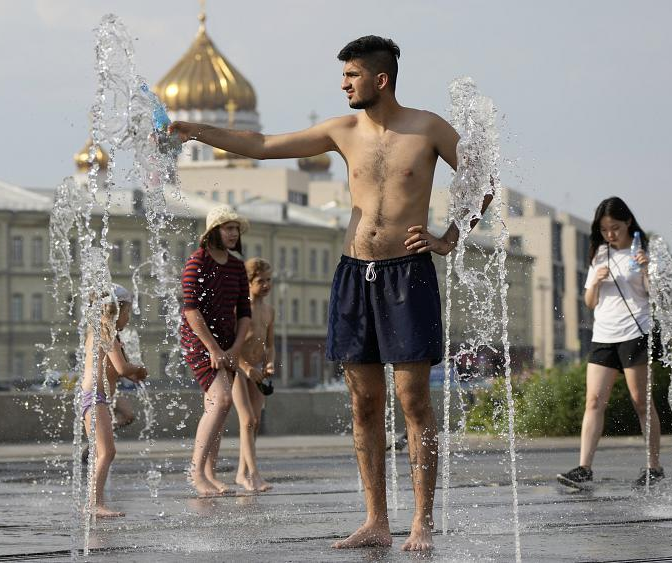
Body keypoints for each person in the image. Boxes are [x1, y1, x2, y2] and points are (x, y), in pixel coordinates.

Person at [170, 36, 486, 550]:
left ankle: (422, 520)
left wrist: (450, 236)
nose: (343, 84)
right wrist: (193, 131)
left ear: (380, 79)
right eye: (343, 75)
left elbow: (482, 177)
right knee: (363, 404)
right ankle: (376, 520)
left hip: (408, 274)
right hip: (353, 275)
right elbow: (265, 146)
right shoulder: (342, 131)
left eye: (352, 75)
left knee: (413, 401)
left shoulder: (427, 128)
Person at [557, 197, 663, 490]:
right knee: (594, 401)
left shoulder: (643, 252)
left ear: (628, 222)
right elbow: (589, 302)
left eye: (614, 228)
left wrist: (645, 270)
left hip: (635, 332)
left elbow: (654, 297)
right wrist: (597, 282)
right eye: (604, 230)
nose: (610, 235)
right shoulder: (599, 255)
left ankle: (654, 467)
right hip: (603, 336)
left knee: (641, 401)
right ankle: (584, 467)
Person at [180, 205, 252, 498]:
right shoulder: (197, 262)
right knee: (221, 400)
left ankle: (209, 473)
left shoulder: (236, 266)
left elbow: (245, 313)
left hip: (228, 343)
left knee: (216, 409)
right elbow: (191, 311)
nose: (233, 233)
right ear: (213, 232)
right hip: (199, 341)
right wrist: (211, 348)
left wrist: (235, 348)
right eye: (227, 228)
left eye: (236, 228)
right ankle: (196, 472)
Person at [79, 284, 148, 518]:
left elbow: (116, 369)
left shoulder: (100, 330)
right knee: (106, 452)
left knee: (103, 451)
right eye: (128, 312)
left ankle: (95, 501)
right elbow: (122, 367)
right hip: (94, 396)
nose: (129, 318)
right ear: (117, 310)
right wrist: (140, 370)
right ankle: (93, 503)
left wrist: (131, 372)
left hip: (98, 396)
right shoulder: (106, 328)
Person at [233, 257, 275, 493]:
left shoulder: (270, 310)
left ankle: (242, 472)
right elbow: (231, 342)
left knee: (255, 422)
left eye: (270, 280)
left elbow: (270, 344)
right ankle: (255, 475)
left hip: (258, 370)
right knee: (247, 420)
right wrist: (246, 367)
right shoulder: (240, 308)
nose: (267, 285)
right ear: (248, 282)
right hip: (238, 368)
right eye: (261, 281)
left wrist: (269, 364)